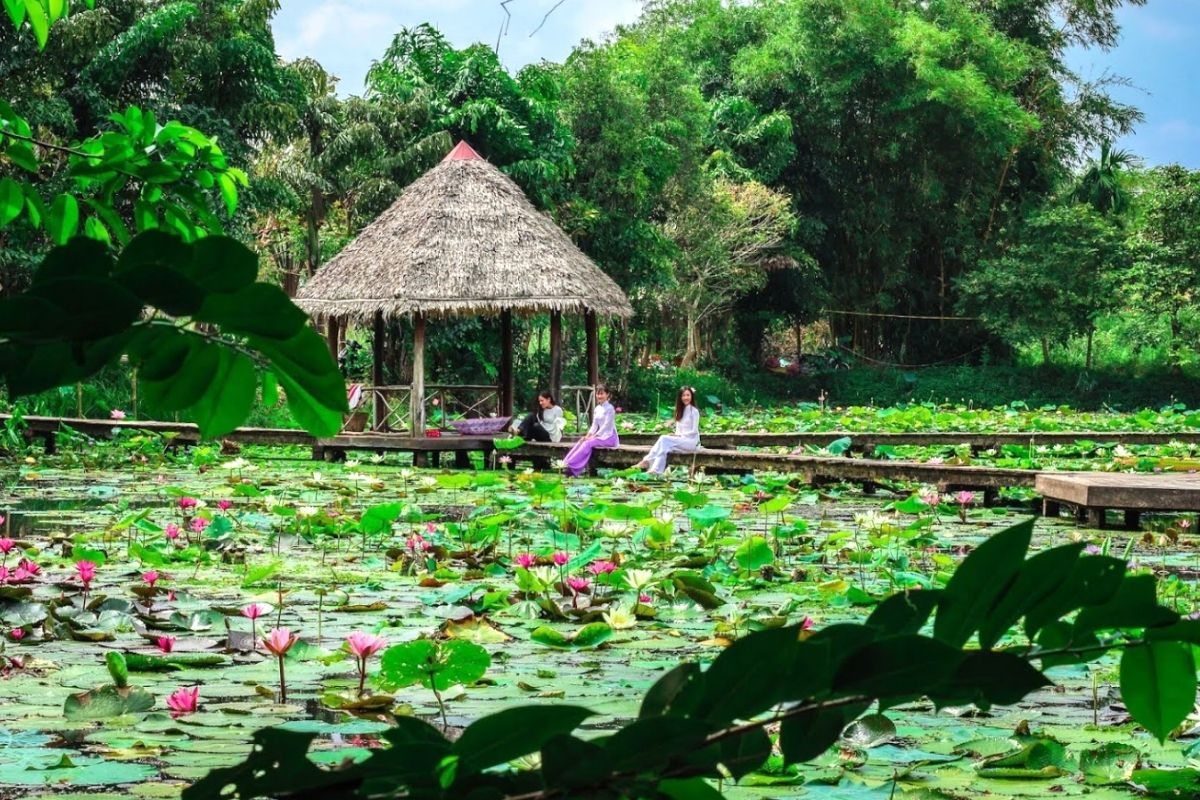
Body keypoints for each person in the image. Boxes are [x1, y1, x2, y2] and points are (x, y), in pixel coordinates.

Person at [634, 386, 700, 474]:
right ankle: (654, 470)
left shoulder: (694, 411)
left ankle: (647, 461)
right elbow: (678, 430)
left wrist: (680, 435)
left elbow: (694, 431)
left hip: (692, 442)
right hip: (682, 440)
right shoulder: (679, 411)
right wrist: (676, 435)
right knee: (664, 444)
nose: (686, 398)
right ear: (680, 397)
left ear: (691, 396)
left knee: (664, 439)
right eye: (683, 395)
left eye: (688, 395)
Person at [562, 384, 619, 477]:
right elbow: (594, 425)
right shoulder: (597, 408)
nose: (599, 396)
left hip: (609, 437)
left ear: (607, 395)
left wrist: (594, 436)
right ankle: (566, 463)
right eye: (598, 394)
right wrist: (587, 435)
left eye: (602, 394)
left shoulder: (610, 409)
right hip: (599, 436)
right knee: (582, 441)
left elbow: (606, 426)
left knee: (588, 443)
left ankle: (572, 465)